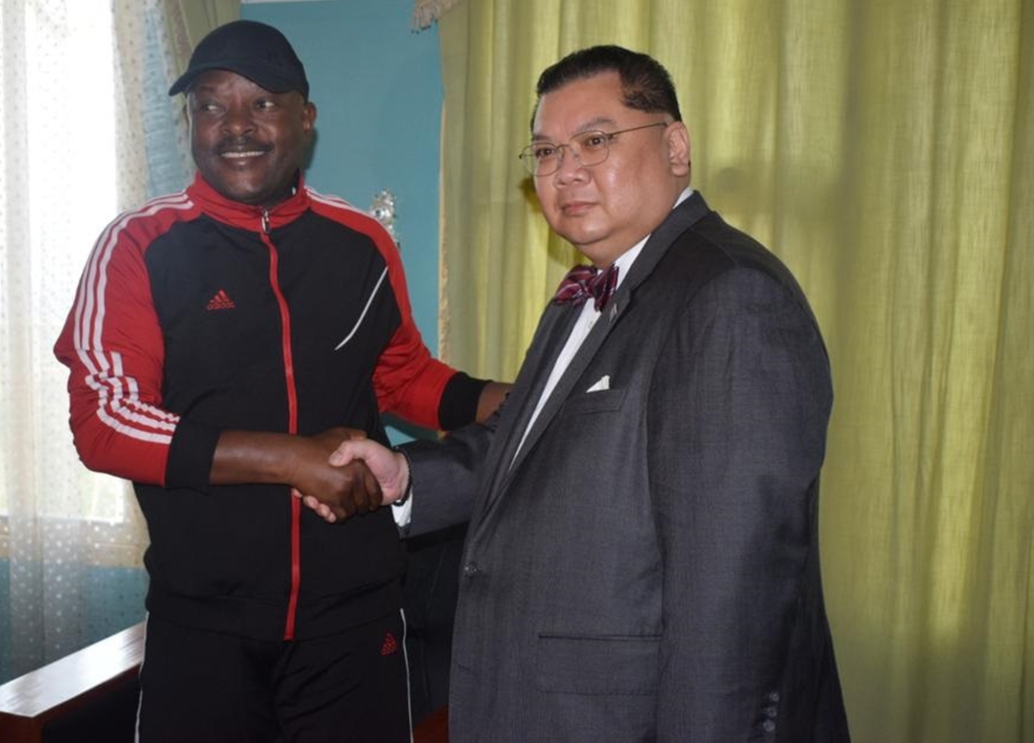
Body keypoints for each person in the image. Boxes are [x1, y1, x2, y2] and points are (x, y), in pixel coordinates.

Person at [327, 45, 851, 741]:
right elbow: (521, 442)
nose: (565, 171)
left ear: (676, 147)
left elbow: (733, 602)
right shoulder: (584, 292)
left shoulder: (729, 297)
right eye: (546, 152)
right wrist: (407, 478)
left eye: (596, 141)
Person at [53, 19, 508, 742]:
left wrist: (504, 401)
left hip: (353, 616)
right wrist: (291, 458)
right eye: (211, 105)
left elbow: (400, 375)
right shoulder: (139, 245)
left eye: (262, 103)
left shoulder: (361, 242)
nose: (236, 126)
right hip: (205, 622)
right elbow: (106, 420)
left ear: (306, 118)